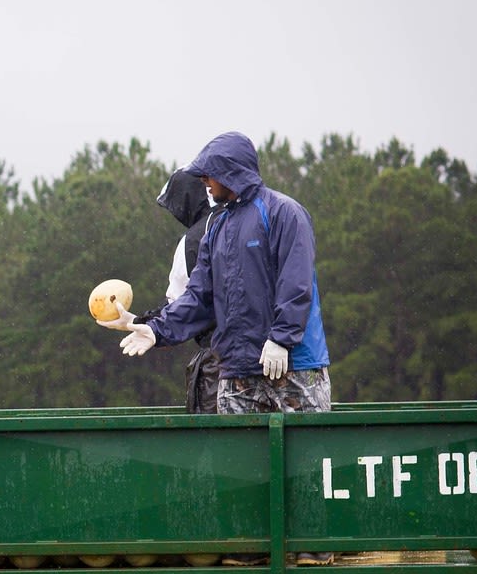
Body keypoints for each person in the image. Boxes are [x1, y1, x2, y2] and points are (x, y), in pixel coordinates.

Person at [104, 131, 332, 414]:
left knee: (306, 457)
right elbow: (199, 297)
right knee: (237, 460)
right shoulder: (217, 228)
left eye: (208, 174)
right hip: (236, 374)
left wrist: (281, 339)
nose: (203, 182)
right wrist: (155, 328)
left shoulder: (284, 212)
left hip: (292, 365)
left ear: (230, 172)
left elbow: (296, 284)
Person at [123, 169, 221, 414]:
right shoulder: (243, 220)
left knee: (218, 447)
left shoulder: (192, 239)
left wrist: (144, 322)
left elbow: (185, 304)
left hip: (220, 363)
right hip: (273, 355)